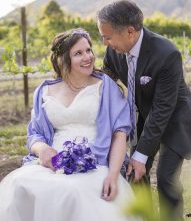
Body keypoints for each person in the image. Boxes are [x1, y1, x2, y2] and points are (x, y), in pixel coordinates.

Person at [0, 28, 138, 221]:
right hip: (52, 164)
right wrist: (42, 150)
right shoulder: (45, 90)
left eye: (88, 50)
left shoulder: (105, 86)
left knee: (72, 190)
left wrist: (113, 176)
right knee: (19, 183)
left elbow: (119, 134)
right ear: (63, 59)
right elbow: (35, 135)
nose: (88, 57)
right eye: (78, 53)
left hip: (93, 162)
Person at [96, 0, 191, 221]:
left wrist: (141, 156)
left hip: (175, 119)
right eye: (102, 37)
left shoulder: (167, 53)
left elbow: (163, 108)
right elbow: (108, 72)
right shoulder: (115, 51)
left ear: (130, 32)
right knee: (134, 172)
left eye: (108, 37)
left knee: (166, 178)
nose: (105, 43)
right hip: (145, 117)